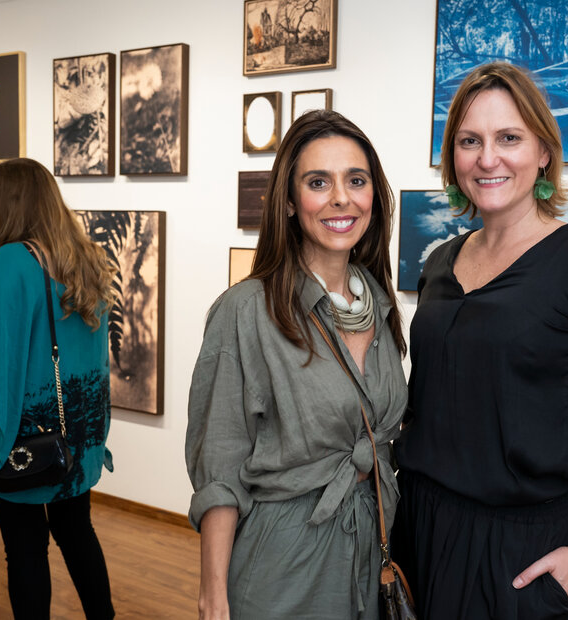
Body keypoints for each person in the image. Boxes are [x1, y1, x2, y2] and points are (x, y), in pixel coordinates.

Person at [391, 62, 568, 619]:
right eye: (469, 141)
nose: (487, 158)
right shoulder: (439, 264)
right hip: (420, 528)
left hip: (524, 554)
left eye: (509, 138)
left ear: (543, 151)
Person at [185, 109, 408, 619]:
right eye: (317, 182)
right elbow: (220, 462)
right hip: (283, 558)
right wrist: (212, 593)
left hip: (369, 547)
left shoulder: (379, 300)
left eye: (356, 180)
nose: (340, 198)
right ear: (288, 201)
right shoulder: (245, 311)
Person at [0, 157, 116, 619]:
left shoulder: (10, 262)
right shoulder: (84, 258)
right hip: (76, 435)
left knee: (25, 550)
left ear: (10, 202)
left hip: (26, 438)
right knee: (76, 531)